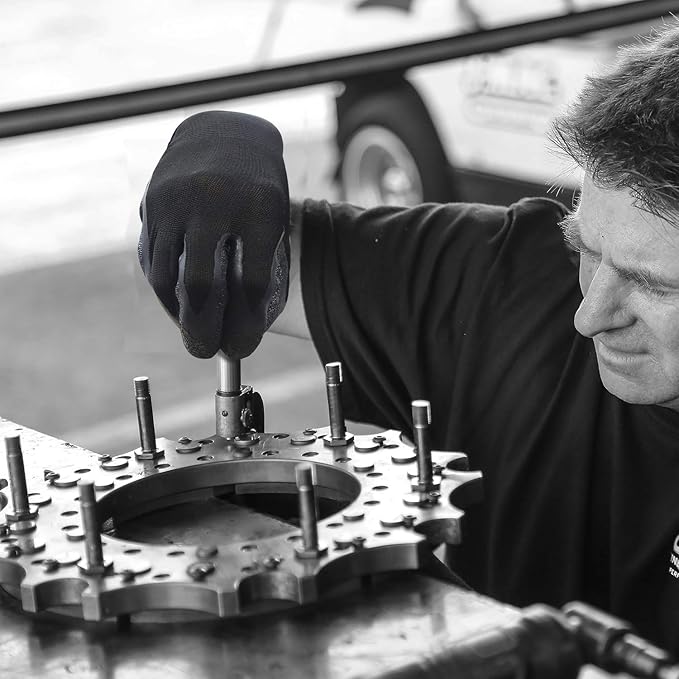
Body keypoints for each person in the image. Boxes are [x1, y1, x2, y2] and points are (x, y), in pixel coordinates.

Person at [138, 25, 679, 651]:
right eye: (586, 248)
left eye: (652, 283)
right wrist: (216, 167)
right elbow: (220, 262)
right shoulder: (502, 284)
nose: (589, 316)